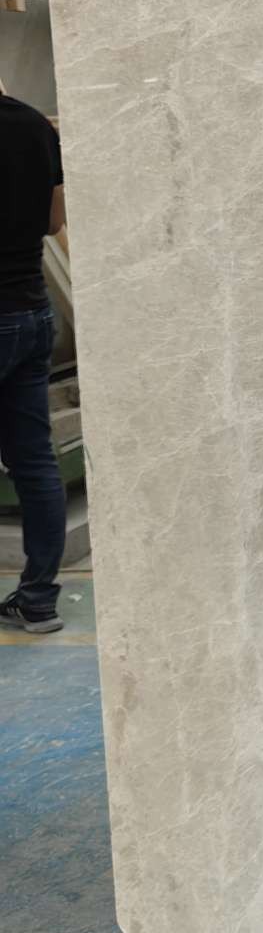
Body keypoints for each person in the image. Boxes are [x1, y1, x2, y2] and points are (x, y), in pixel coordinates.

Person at [0, 91, 66, 634]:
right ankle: (39, 600)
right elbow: (52, 221)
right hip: (31, 311)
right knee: (35, 462)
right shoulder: (36, 126)